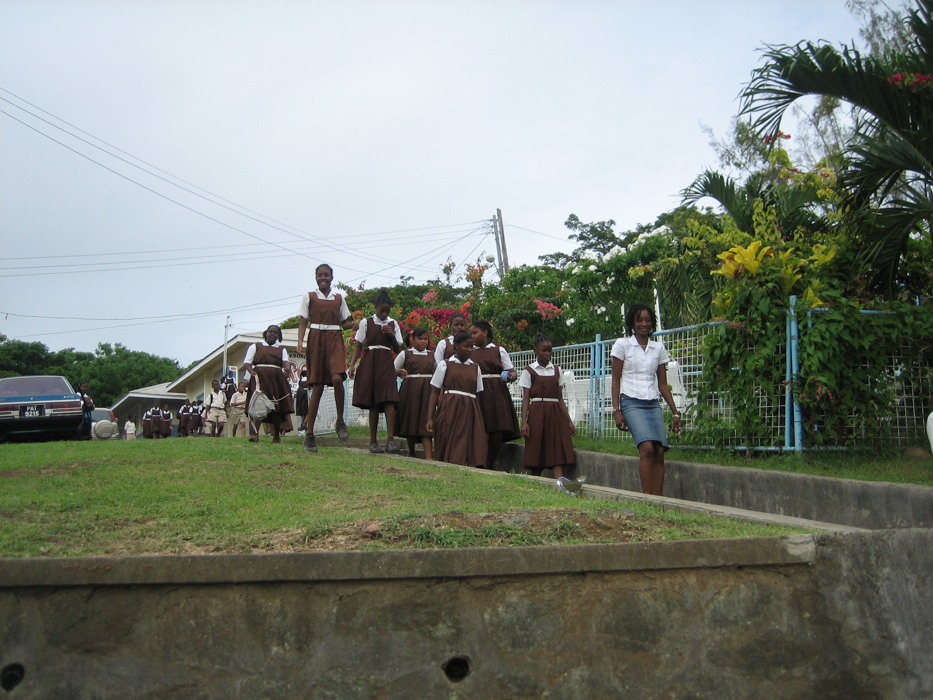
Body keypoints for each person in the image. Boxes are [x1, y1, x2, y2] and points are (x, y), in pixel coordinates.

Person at [610, 303, 682, 496]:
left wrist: (675, 412)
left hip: (652, 403)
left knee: (659, 451)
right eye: (639, 320)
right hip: (631, 402)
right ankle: (647, 499)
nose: (644, 324)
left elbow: (663, 384)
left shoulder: (658, 348)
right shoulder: (622, 345)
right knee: (647, 449)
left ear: (652, 324)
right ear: (632, 323)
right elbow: (616, 379)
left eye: (648, 320)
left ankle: (658, 500)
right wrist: (616, 410)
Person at [295, 264, 359, 453]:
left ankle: (340, 421)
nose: (323, 278)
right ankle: (309, 435)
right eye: (320, 275)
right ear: (316, 277)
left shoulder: (339, 298)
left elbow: (344, 322)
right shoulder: (309, 296)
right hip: (316, 339)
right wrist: (300, 341)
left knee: (338, 377)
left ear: (332, 277)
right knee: (318, 386)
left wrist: (353, 325)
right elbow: (303, 322)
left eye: (326, 275)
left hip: (334, 339)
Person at [348, 288, 404, 453]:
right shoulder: (366, 322)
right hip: (370, 363)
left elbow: (398, 349)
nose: (385, 314)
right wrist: (352, 365)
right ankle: (373, 441)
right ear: (376, 307)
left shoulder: (393, 324)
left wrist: (391, 335)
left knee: (389, 400)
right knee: (373, 401)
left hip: (387, 363)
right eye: (382, 311)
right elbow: (359, 345)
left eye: (387, 311)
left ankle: (390, 440)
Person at [426, 331, 487, 468]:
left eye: (472, 347)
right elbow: (435, 392)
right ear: (456, 346)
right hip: (449, 408)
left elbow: (478, 394)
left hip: (470, 409)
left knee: (467, 438)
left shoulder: (475, 368)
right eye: (466, 346)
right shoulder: (445, 365)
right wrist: (430, 417)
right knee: (447, 436)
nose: (470, 350)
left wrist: (478, 416)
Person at [520, 333, 576, 479]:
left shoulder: (557, 370)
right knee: (536, 447)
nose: (547, 354)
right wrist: (524, 421)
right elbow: (526, 398)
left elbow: (560, 399)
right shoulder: (529, 371)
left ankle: (561, 484)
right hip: (537, 413)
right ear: (535, 351)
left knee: (557, 449)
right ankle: (535, 482)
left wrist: (569, 420)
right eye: (543, 350)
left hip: (555, 413)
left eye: (549, 350)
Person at [470, 320, 521, 469]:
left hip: (496, 391)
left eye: (475, 333)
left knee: (496, 427)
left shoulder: (498, 350)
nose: (472, 336)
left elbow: (512, 371)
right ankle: (480, 461)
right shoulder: (470, 351)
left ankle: (489, 463)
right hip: (478, 391)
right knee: (481, 427)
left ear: (485, 332)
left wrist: (510, 377)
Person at [243, 324, 295, 444]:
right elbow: (247, 362)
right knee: (258, 405)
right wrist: (252, 372)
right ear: (266, 333)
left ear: (278, 336)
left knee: (276, 406)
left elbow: (285, 362)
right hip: (259, 378)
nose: (272, 334)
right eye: (270, 332)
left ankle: (276, 435)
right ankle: (255, 434)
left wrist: (287, 369)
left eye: (275, 332)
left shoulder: (281, 349)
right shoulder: (256, 346)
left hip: (276, 380)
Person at [395, 327, 436, 460]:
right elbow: (393, 368)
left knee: (426, 420)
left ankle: (428, 457)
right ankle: (411, 450)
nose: (423, 342)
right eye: (420, 339)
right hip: (410, 390)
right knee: (411, 418)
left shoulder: (432, 356)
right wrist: (398, 372)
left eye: (425, 339)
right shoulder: (405, 354)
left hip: (427, 391)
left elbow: (438, 373)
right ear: (413, 339)